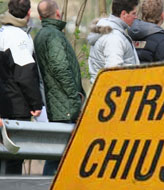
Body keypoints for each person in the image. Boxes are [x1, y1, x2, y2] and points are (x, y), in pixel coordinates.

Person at [34, 0, 86, 175]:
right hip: (64, 103)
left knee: (58, 152)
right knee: (60, 154)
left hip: (56, 102)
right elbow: (60, 67)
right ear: (57, 13)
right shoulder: (54, 35)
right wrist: (74, 95)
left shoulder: (42, 34)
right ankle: (50, 189)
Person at [0, 0, 44, 175]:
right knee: (13, 159)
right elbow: (25, 74)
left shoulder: (2, 32)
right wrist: (36, 104)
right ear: (27, 15)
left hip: (3, 103)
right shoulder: (19, 37)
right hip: (15, 107)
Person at [88, 0, 140, 84]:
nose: (136, 17)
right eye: (133, 13)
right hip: (116, 93)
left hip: (104, 90)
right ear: (123, 14)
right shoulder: (114, 37)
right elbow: (114, 72)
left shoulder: (111, 31)